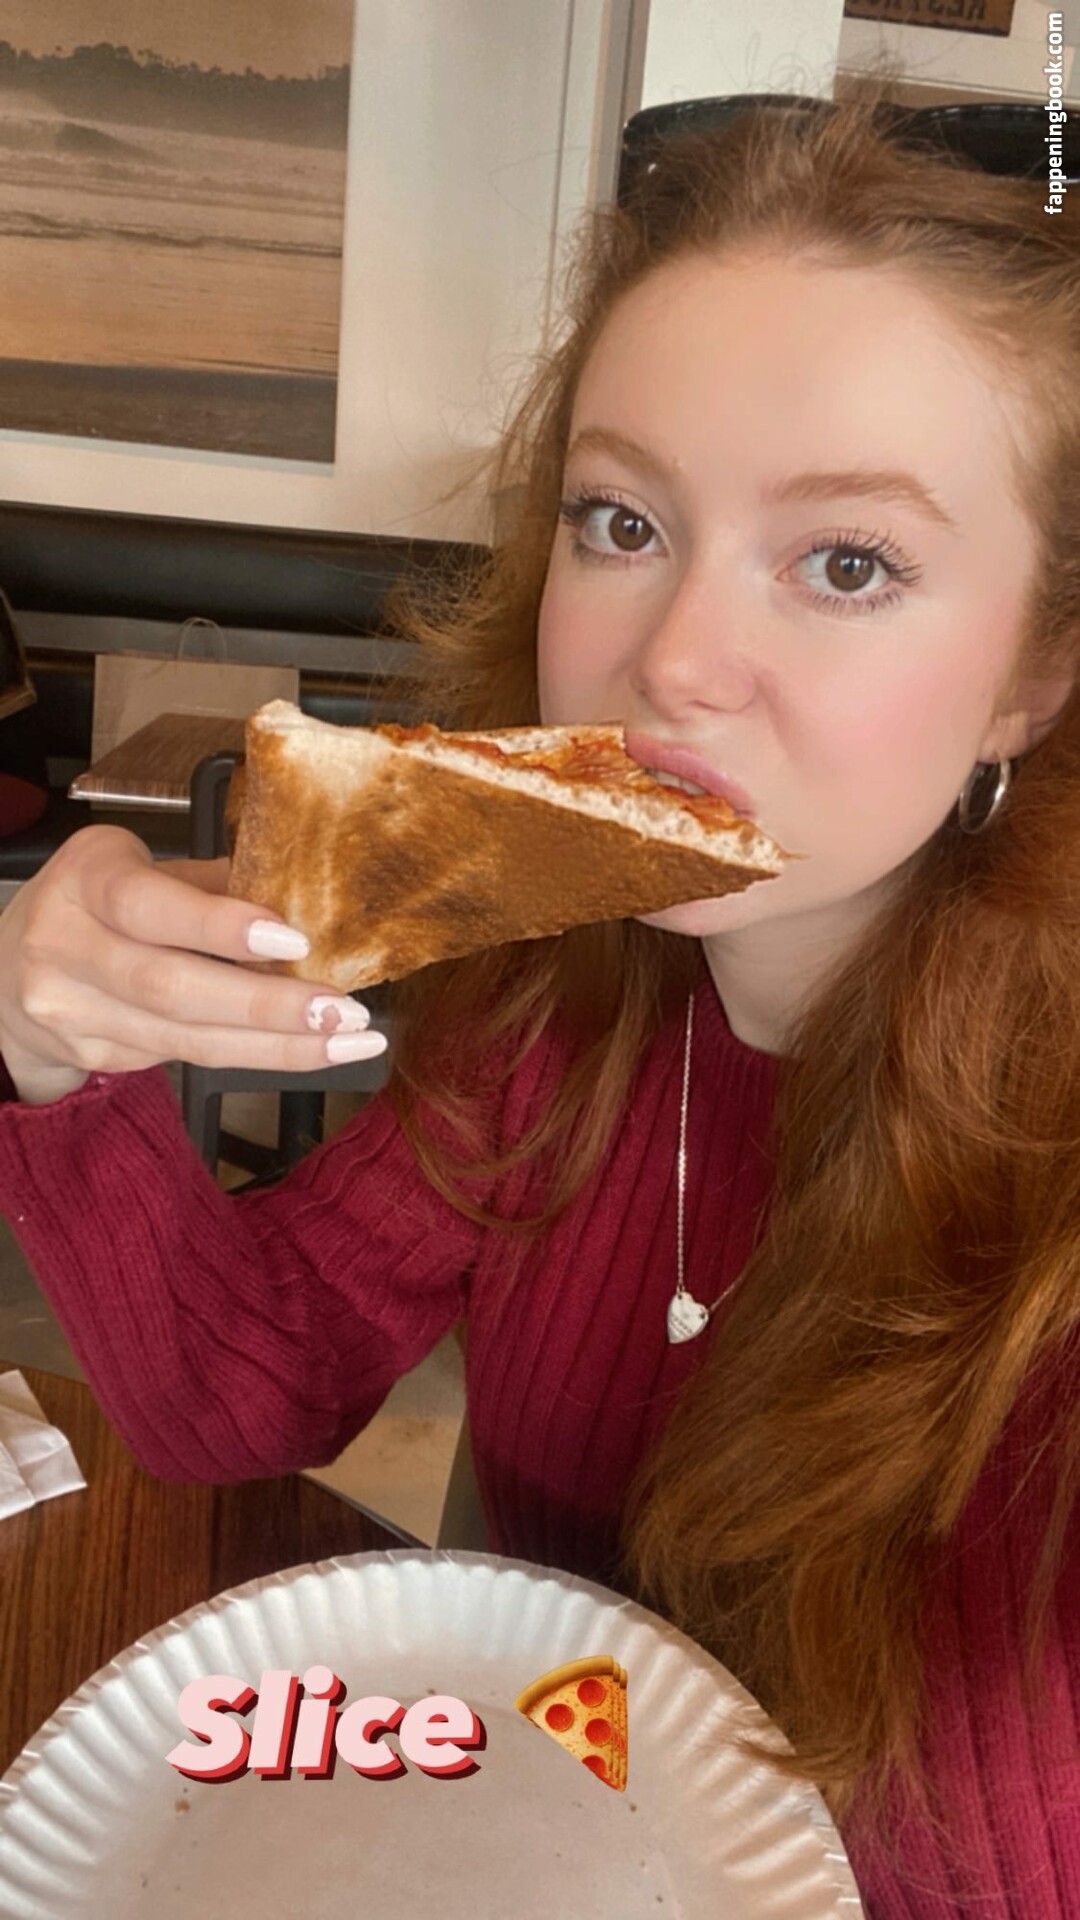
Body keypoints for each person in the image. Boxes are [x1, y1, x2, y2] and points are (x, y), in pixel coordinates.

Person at [1, 89, 1078, 1915]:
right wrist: (59, 1056)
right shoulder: (547, 1018)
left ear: (1032, 677)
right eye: (621, 519)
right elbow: (243, 1401)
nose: (674, 662)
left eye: (847, 562)